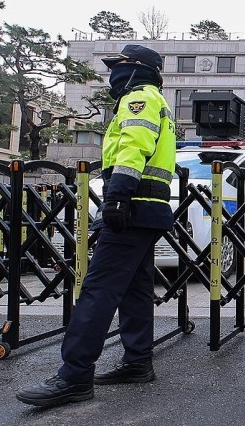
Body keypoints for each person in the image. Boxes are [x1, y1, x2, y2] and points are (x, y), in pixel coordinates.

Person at [17, 45, 176, 407]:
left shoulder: (139, 100)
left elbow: (133, 148)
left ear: (137, 70)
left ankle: (73, 376)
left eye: (118, 68)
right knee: (135, 287)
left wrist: (117, 196)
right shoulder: (154, 100)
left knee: (98, 288)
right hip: (147, 207)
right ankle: (137, 360)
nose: (112, 76)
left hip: (131, 205)